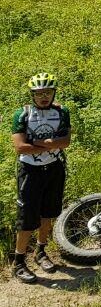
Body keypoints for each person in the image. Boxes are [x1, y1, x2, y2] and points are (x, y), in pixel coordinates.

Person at [11, 74, 70, 284]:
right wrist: (49, 143)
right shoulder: (23, 114)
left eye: (47, 92)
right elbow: (19, 147)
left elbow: (66, 141)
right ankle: (18, 262)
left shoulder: (61, 111)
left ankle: (41, 251)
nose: (44, 97)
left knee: (48, 213)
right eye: (39, 93)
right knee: (26, 218)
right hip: (30, 170)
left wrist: (37, 142)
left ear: (54, 93)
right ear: (32, 95)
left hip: (54, 168)